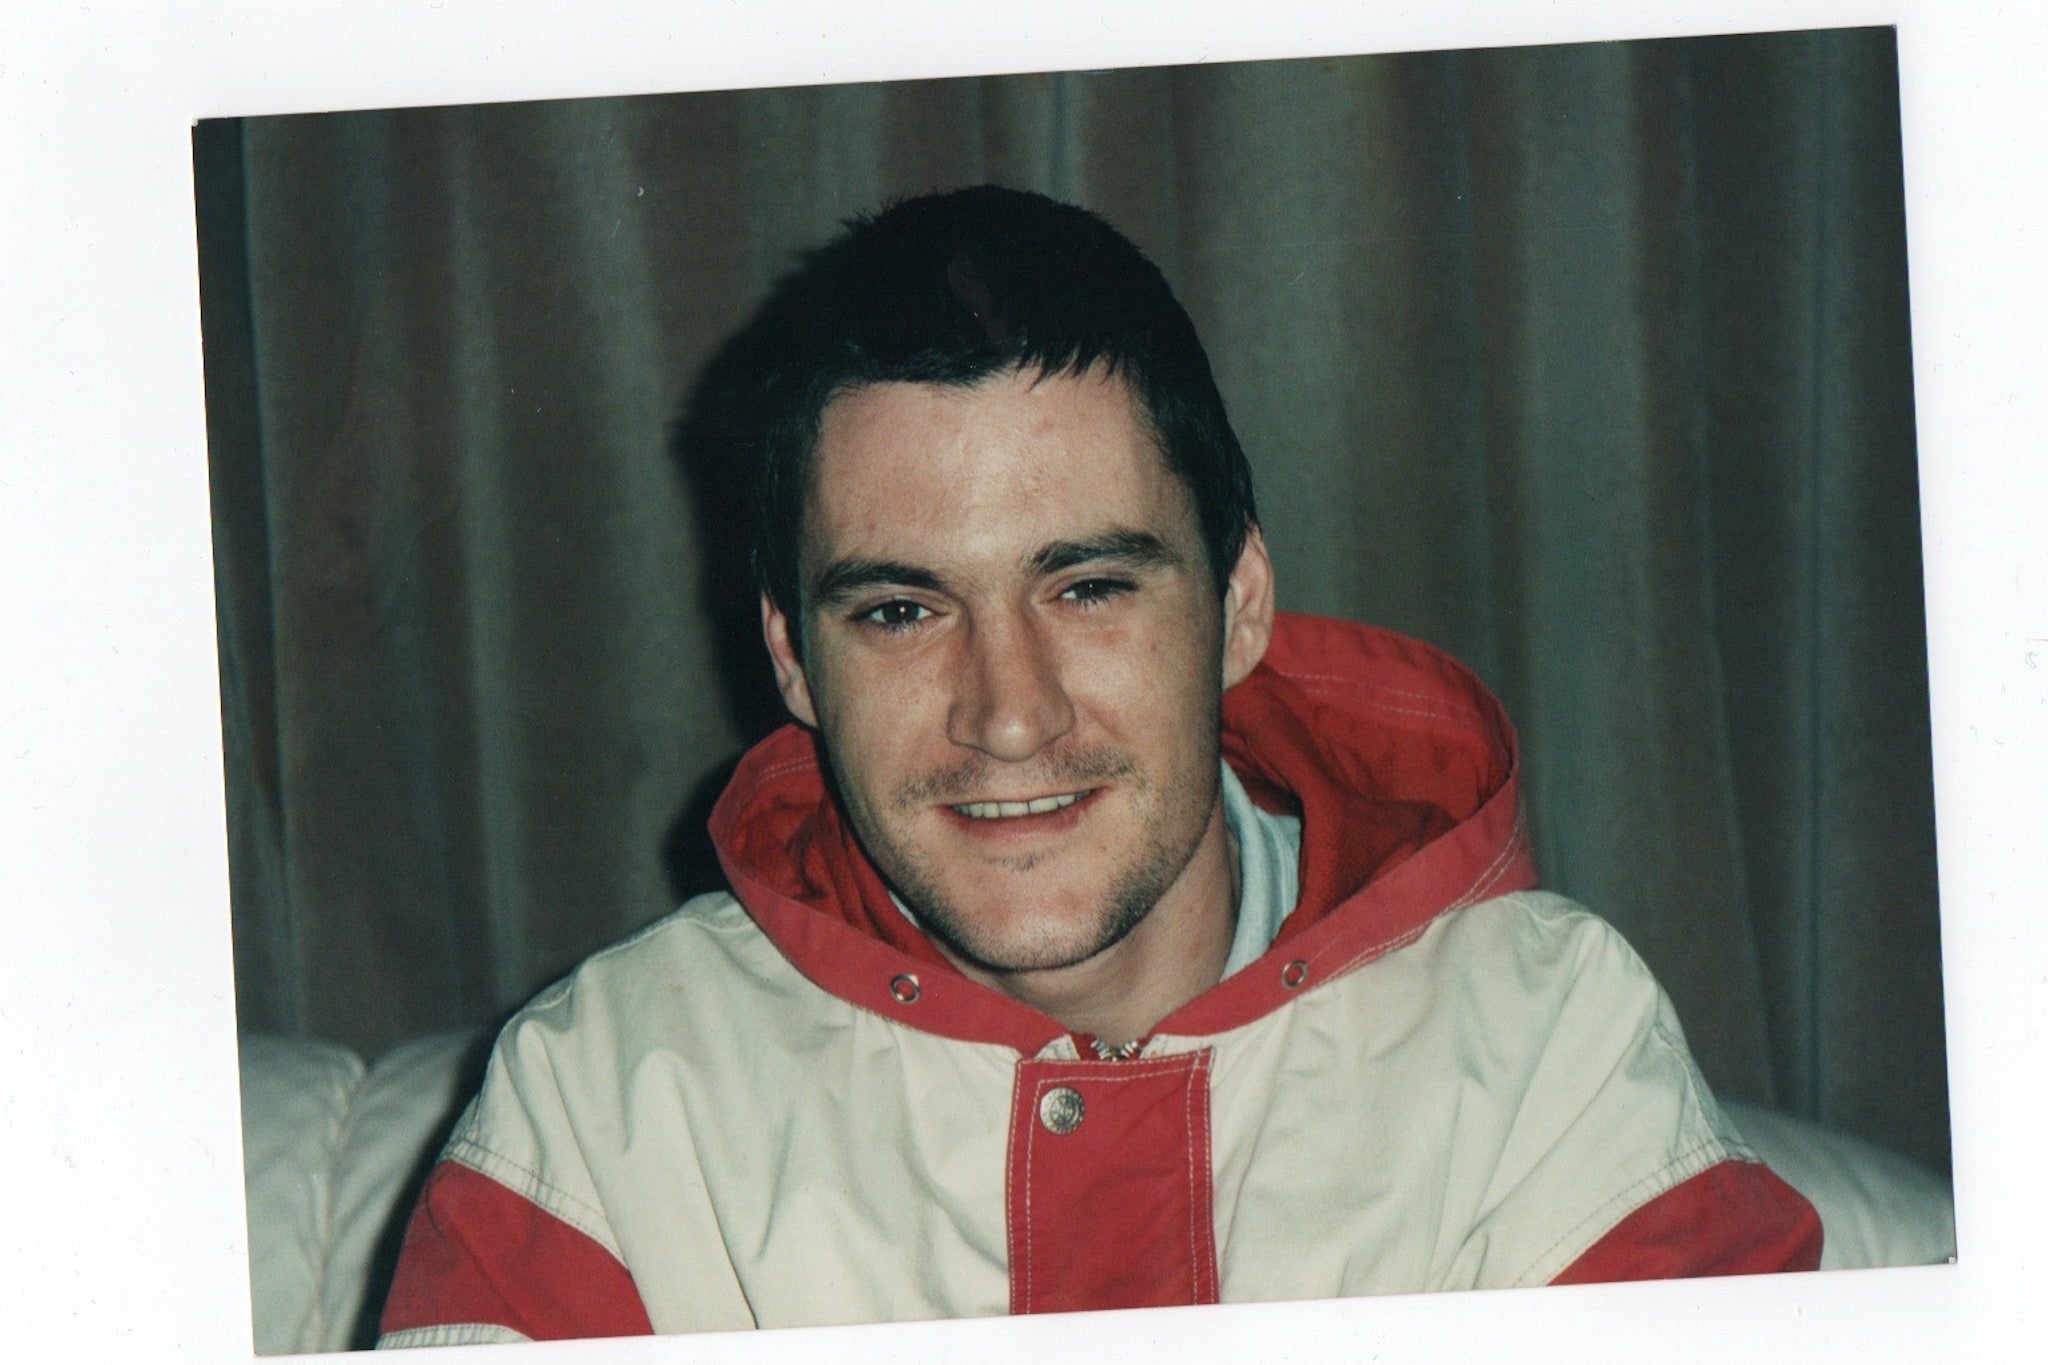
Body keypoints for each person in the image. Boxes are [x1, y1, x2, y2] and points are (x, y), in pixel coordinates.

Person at [377, 185, 1821, 1348]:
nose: (1008, 715)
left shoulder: (1546, 1052)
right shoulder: (607, 1109)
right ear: (794, 662)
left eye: (1089, 588)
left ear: (1241, 602)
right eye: (900, 610)